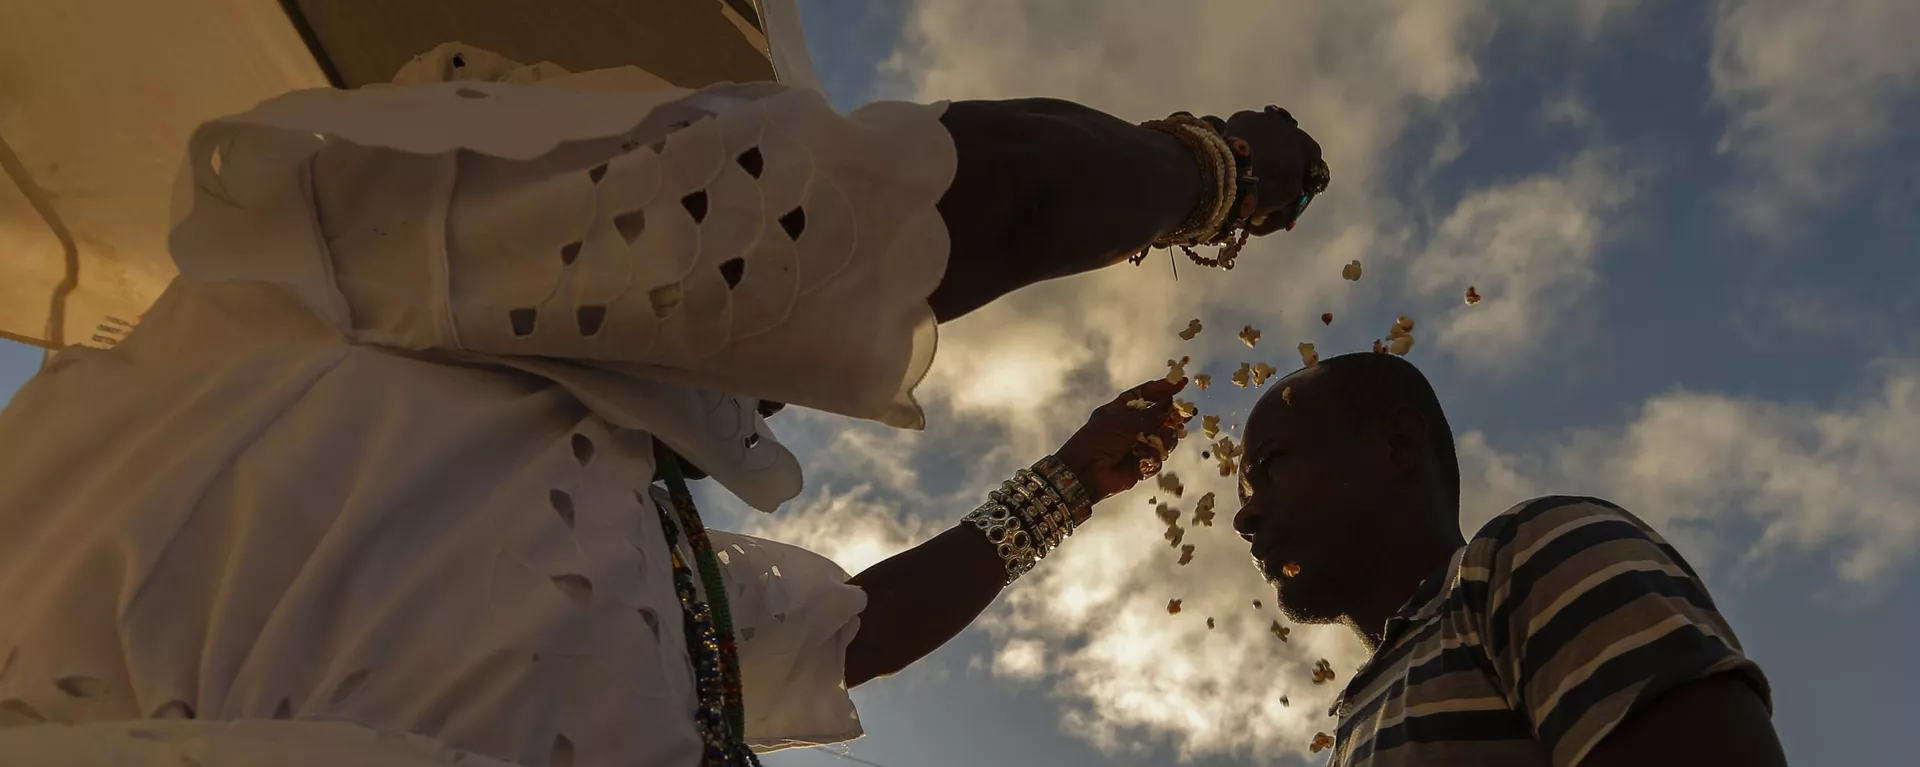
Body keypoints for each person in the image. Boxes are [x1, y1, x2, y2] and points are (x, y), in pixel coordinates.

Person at [0, 45, 1324, 767]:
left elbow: (862, 632)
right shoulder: (387, 240)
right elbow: (976, 192)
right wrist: (1210, 169)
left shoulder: (657, 572)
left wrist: (1074, 481)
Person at [1231, 352, 1788, 766]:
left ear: (1397, 443)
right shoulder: (1358, 718)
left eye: (1272, 466)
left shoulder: (1531, 555)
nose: (1245, 518)